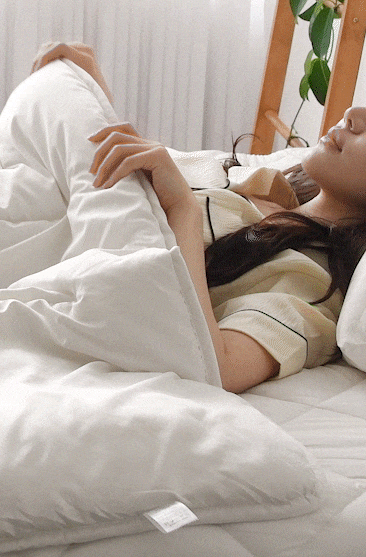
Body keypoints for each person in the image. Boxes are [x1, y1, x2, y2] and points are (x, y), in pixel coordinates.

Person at [32, 42, 366, 393]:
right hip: (58, 205)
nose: (353, 113)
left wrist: (183, 210)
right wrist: (94, 96)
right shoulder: (269, 187)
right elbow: (134, 182)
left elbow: (222, 367)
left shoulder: (312, 282)